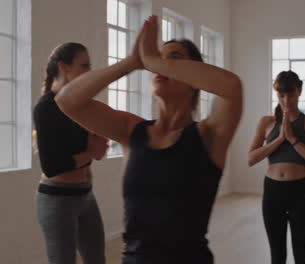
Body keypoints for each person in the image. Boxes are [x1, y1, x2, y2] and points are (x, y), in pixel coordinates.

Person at [55, 16, 242, 264]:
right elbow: (67, 101)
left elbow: (231, 86)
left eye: (173, 59)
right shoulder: (132, 131)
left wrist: (153, 59)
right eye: (157, 59)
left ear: (195, 79)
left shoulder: (210, 134)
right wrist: (133, 62)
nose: (159, 67)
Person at [33, 42, 108, 264]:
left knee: (97, 260)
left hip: (86, 195)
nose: (89, 72)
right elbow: (52, 165)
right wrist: (91, 152)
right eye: (84, 66)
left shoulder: (80, 106)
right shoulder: (46, 107)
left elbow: (95, 154)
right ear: (64, 66)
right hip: (57, 201)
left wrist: (96, 148)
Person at [248, 71, 305, 264]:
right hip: (272, 191)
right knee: (277, 256)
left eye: (290, 94)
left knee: (301, 256)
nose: (286, 100)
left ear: (299, 92)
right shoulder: (266, 122)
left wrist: (292, 139)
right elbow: (251, 158)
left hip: (299, 191)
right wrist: (279, 139)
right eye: (281, 95)